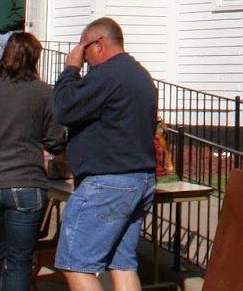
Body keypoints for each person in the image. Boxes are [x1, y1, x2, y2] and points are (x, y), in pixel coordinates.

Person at [51, 18, 157, 291]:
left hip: (108, 183)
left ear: (98, 45)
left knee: (75, 264)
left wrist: (71, 70)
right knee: (122, 264)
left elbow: (63, 108)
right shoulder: (139, 75)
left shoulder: (108, 75)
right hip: (139, 179)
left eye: (84, 52)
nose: (83, 59)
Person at [0, 33, 66, 291]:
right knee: (18, 260)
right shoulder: (42, 93)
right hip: (26, 183)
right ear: (35, 59)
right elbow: (56, 142)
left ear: (6, 55)